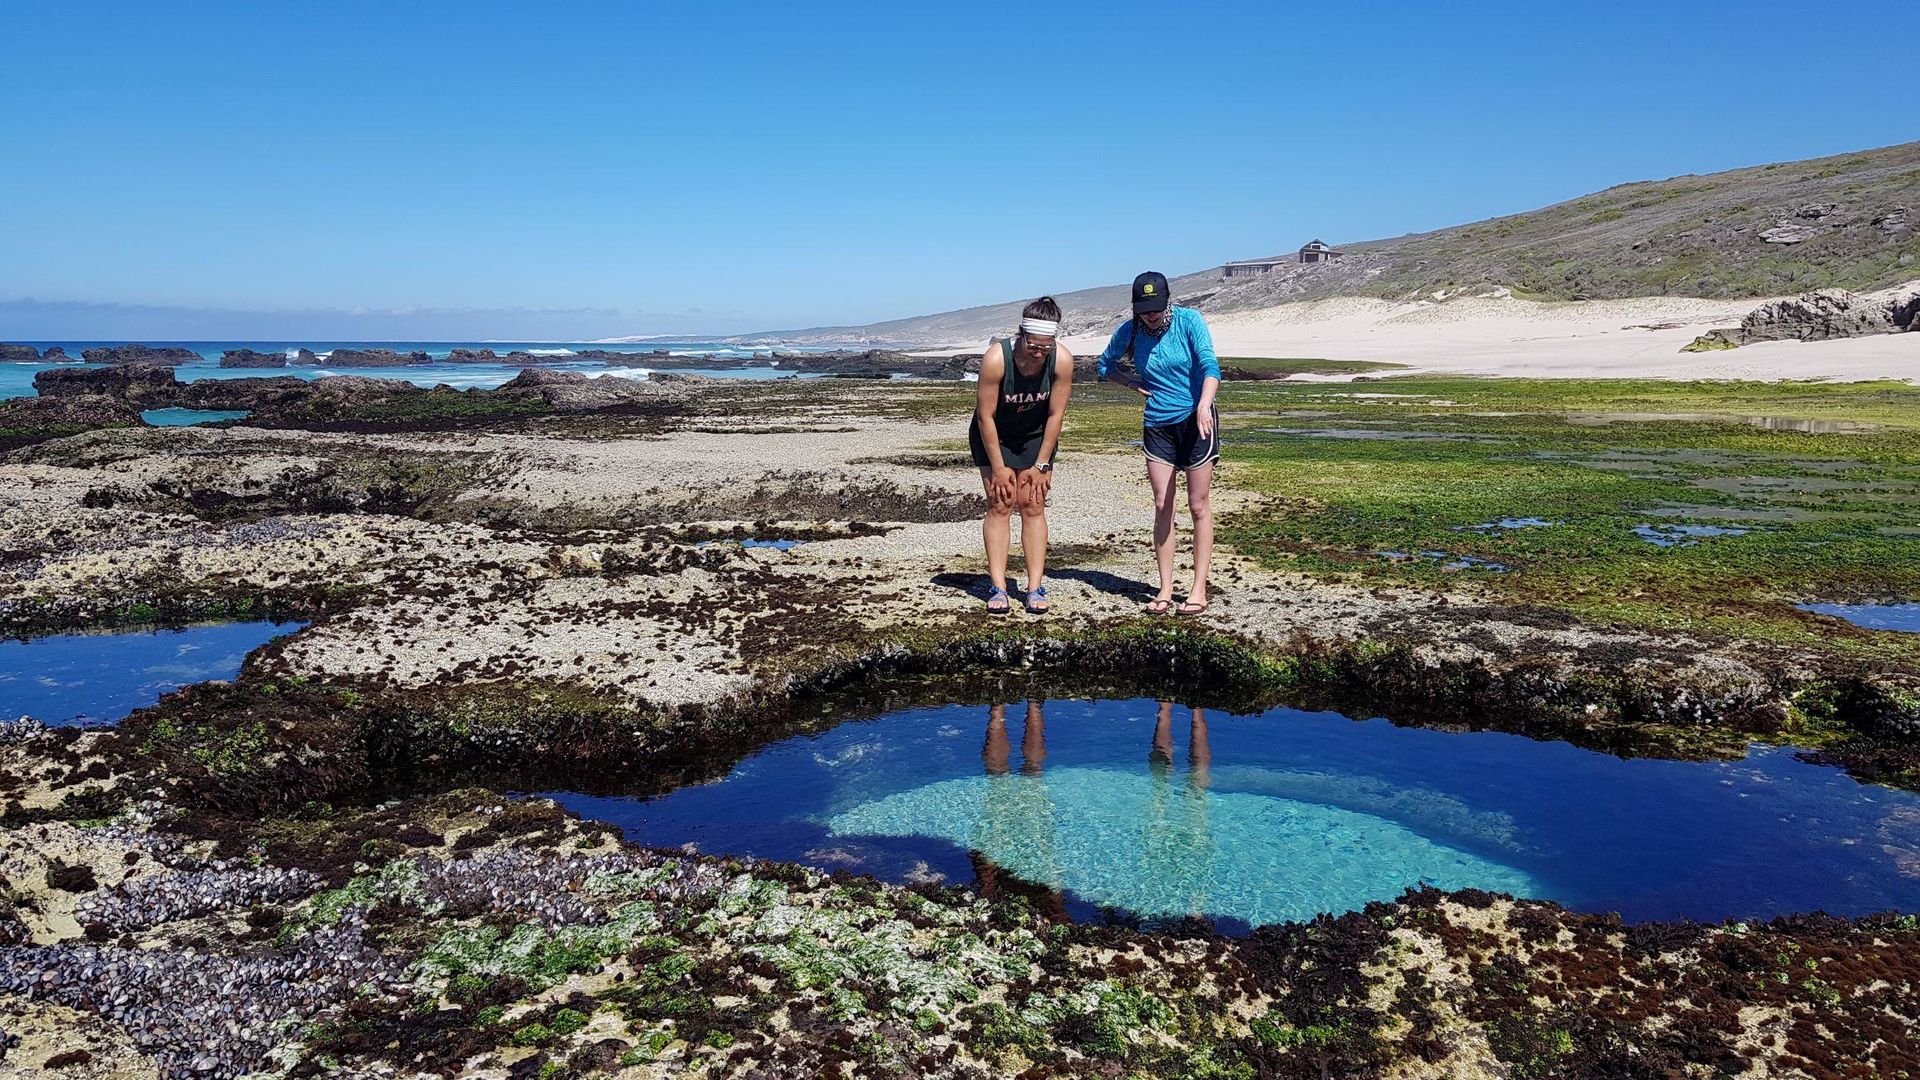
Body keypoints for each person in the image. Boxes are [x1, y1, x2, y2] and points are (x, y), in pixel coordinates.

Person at [1097, 271, 1220, 615]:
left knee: (1198, 505)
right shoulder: (1130, 331)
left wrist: (1203, 405)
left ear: (1168, 300)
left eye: (1155, 307)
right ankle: (1165, 590)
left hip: (1197, 421)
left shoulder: (1189, 321)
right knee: (1163, 503)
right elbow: (1104, 366)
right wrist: (1130, 383)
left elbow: (1211, 366)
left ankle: (1198, 589)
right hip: (1157, 424)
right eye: (1143, 308)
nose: (1150, 314)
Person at [971, 297, 1075, 614]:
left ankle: (1034, 587)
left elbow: (1056, 414)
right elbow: (984, 416)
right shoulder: (996, 359)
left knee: (1033, 504)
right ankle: (998, 588)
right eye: (1034, 347)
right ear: (1022, 335)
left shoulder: (1061, 360)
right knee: (1000, 503)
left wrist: (1042, 463)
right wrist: (999, 467)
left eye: (1046, 347)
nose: (1039, 353)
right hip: (994, 435)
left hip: (1035, 436)